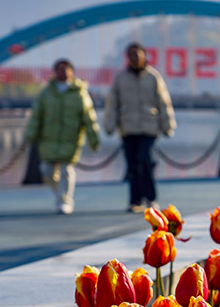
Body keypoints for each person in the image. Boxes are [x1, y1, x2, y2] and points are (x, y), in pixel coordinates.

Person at [104, 42, 176, 212]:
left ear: (144, 55)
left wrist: (168, 125)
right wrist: (109, 125)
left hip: (148, 127)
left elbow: (163, 102)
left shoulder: (153, 77)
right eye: (131, 55)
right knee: (132, 164)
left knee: (145, 160)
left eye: (137, 54)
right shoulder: (120, 78)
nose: (135, 58)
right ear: (127, 58)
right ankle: (135, 201)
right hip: (128, 127)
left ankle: (151, 198)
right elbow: (113, 103)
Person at [23, 59, 100, 214]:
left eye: (66, 69)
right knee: (46, 170)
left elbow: (88, 117)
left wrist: (94, 138)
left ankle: (64, 200)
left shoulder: (79, 93)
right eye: (60, 69)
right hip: (49, 139)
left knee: (66, 170)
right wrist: (30, 135)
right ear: (54, 72)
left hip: (70, 139)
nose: (63, 72)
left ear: (72, 71)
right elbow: (37, 116)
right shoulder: (46, 93)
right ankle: (61, 194)